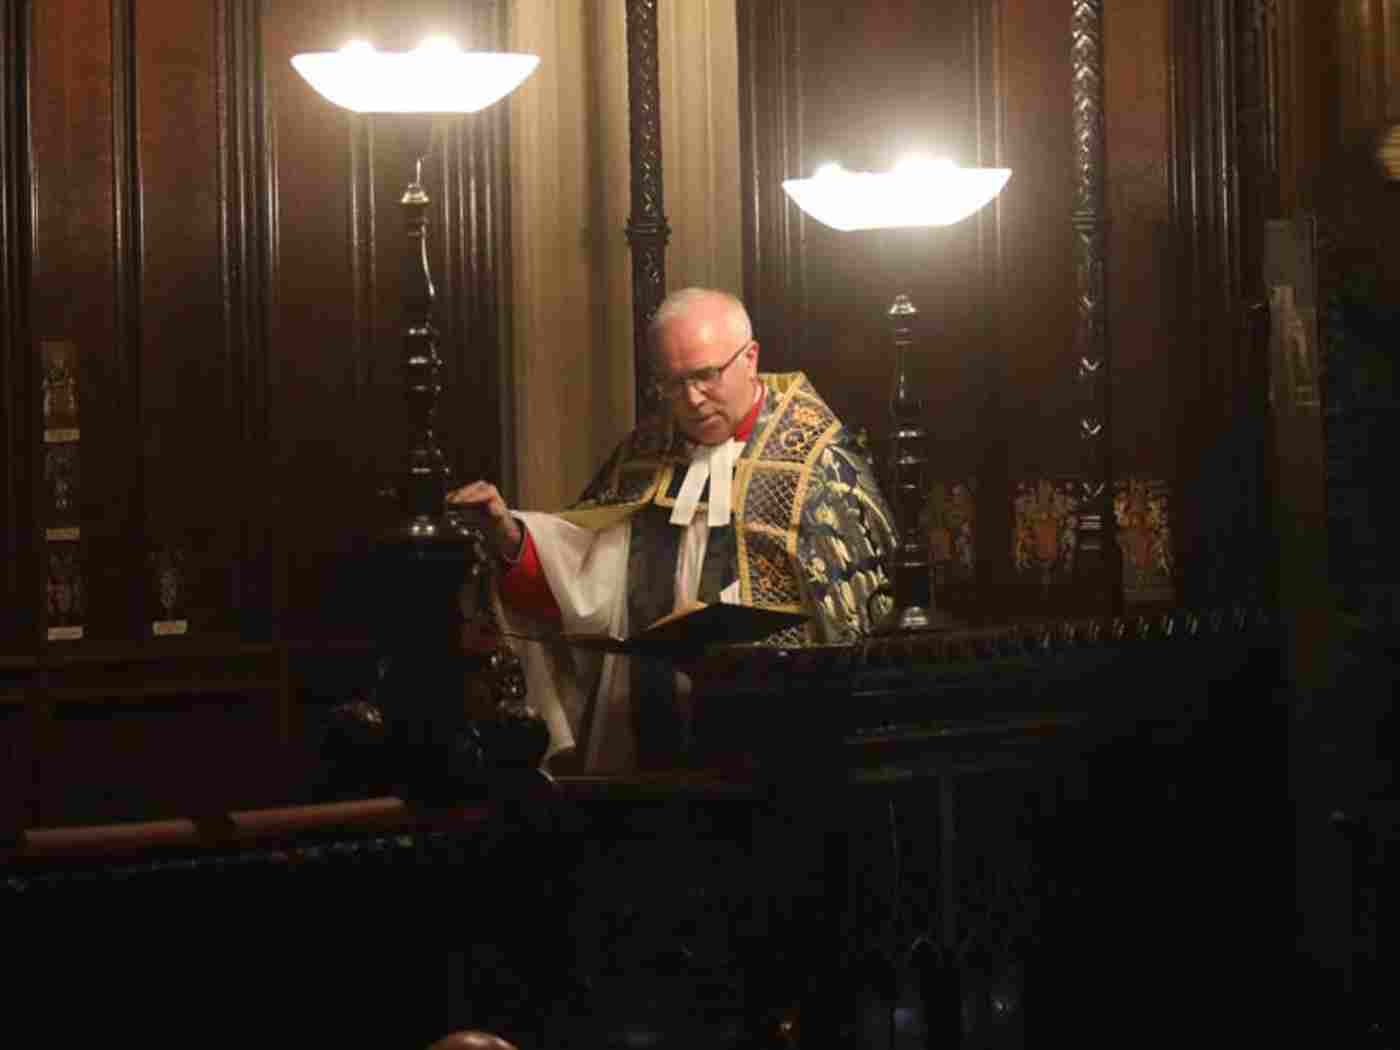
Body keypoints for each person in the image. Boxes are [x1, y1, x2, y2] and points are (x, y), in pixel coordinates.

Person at [449, 287, 895, 771]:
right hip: (647, 735)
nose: (691, 399)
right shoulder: (645, 453)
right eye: (672, 382)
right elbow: (582, 581)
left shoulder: (819, 464)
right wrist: (509, 537)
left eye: (705, 375)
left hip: (779, 744)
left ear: (751, 358)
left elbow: (860, 622)